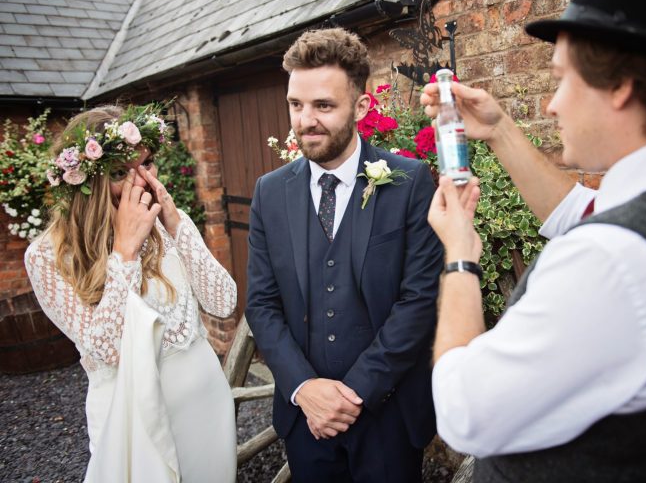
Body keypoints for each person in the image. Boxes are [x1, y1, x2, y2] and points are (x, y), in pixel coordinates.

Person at [422, 0, 646, 481]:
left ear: (622, 85)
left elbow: (462, 412)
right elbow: (585, 214)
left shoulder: (614, 262)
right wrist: (499, 130)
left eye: (562, 78)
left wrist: (459, 256)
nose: (551, 103)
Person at [245, 28, 442, 483]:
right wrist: (304, 388)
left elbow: (419, 301)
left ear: (360, 106)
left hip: (388, 417)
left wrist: (352, 394)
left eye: (324, 106)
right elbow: (261, 303)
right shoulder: (269, 193)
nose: (306, 120)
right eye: (296, 105)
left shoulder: (409, 182)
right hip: (306, 420)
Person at [24, 104, 237, 483]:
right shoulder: (47, 256)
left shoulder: (168, 224)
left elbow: (224, 302)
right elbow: (107, 351)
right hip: (131, 420)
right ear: (84, 184)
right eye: (121, 172)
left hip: (206, 406)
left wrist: (174, 220)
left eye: (148, 163)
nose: (142, 180)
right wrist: (124, 251)